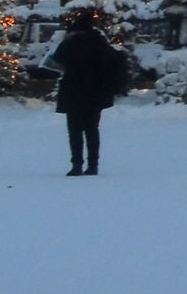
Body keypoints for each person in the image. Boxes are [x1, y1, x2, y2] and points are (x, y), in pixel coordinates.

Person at [46, 11, 133, 177]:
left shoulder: (70, 43)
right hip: (96, 92)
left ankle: (76, 165)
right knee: (92, 129)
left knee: (75, 131)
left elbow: (56, 60)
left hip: (74, 91)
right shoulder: (101, 42)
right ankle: (93, 165)